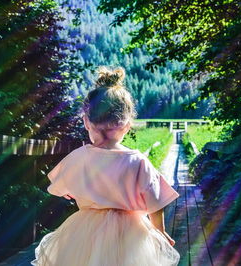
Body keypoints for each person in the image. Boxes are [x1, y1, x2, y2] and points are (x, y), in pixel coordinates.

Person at [31, 66, 180, 266]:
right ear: (127, 125)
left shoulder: (78, 157)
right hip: (131, 234)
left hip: (84, 231)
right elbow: (156, 203)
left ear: (86, 121)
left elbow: (61, 189)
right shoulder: (137, 161)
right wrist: (160, 232)